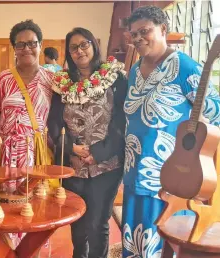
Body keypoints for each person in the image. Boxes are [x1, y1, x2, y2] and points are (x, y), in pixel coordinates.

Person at [122, 6, 220, 257]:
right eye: (133, 34)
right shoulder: (134, 70)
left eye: (144, 31)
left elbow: (215, 112)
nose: (138, 38)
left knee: (162, 241)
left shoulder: (185, 67)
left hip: (169, 175)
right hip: (134, 171)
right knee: (134, 242)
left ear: (163, 29)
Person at [48, 27, 128, 258]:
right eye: (73, 47)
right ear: (68, 53)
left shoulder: (114, 78)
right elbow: (54, 122)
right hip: (72, 165)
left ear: (94, 45)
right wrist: (70, 146)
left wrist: (98, 153)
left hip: (107, 164)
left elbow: (121, 120)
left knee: (98, 223)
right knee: (78, 222)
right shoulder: (62, 83)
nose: (80, 50)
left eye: (84, 44)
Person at [0, 19, 54, 247]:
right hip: (7, 156)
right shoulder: (1, 80)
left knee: (37, 212)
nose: (26, 49)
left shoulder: (52, 80)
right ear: (14, 47)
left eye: (32, 43)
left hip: (39, 156)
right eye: (20, 44)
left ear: (40, 45)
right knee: (6, 210)